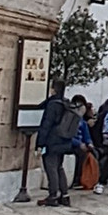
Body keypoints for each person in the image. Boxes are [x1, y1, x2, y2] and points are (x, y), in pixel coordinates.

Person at [36, 78, 79, 207]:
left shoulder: (52, 104)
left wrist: (40, 143)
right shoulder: (66, 103)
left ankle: (53, 195)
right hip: (64, 140)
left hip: (52, 140)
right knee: (59, 167)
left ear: (54, 89)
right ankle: (65, 195)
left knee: (51, 167)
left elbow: (46, 125)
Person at [70, 94, 97, 189]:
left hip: (83, 143)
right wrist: (79, 144)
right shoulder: (69, 120)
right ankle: (78, 179)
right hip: (72, 144)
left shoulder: (83, 122)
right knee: (81, 154)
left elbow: (87, 135)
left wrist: (89, 143)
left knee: (95, 153)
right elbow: (68, 136)